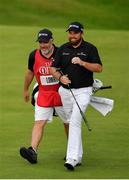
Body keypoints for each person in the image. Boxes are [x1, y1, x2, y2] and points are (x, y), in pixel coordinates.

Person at [50, 21, 103, 170]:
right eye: (70, 32)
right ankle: (78, 156)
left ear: (81, 33)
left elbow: (99, 68)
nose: (72, 35)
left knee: (74, 121)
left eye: (75, 33)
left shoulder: (90, 48)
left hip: (83, 91)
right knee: (70, 121)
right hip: (65, 91)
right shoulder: (62, 49)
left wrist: (82, 62)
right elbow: (53, 68)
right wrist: (60, 78)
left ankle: (71, 158)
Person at [20, 28, 69, 164]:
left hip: (61, 93)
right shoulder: (33, 55)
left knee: (68, 123)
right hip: (44, 93)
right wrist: (25, 89)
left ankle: (72, 151)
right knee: (39, 122)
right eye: (40, 42)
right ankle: (33, 151)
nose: (43, 45)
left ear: (52, 41)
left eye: (45, 42)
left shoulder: (61, 53)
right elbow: (30, 73)